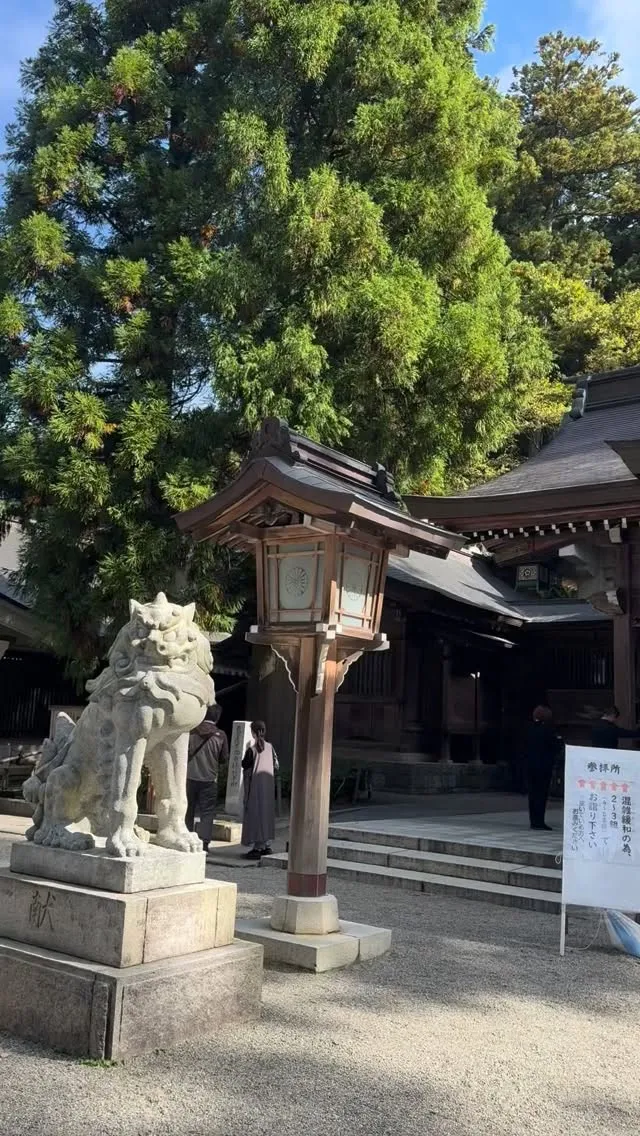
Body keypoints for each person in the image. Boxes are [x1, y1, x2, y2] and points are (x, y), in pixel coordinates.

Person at [185, 704, 228, 855]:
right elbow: (223, 759)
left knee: (187, 809)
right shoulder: (220, 735)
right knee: (207, 812)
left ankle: (185, 838)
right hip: (209, 779)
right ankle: (203, 843)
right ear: (217, 717)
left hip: (189, 777)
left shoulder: (191, 731)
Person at [241, 720, 279, 860]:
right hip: (268, 787)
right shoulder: (271, 748)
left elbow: (245, 765)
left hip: (255, 787)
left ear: (252, 732)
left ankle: (257, 846)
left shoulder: (252, 750)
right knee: (266, 815)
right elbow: (276, 766)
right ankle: (265, 844)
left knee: (255, 815)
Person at [525, 705, 563, 831]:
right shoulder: (548, 730)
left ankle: (533, 820)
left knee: (532, 794)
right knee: (541, 794)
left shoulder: (529, 728)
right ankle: (539, 821)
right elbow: (556, 746)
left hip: (530, 765)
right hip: (544, 765)